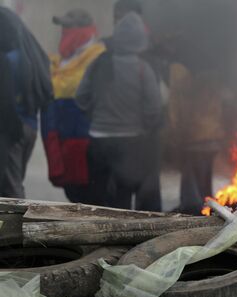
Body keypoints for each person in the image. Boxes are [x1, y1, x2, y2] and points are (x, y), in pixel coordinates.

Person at [75, 12, 162, 210]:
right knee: (123, 199)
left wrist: (95, 116)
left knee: (98, 200)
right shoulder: (143, 69)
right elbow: (154, 107)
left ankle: (94, 237)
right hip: (131, 143)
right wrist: (144, 125)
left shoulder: (98, 63)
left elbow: (80, 97)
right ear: (140, 40)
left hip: (98, 140)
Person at [41, 9, 106, 203]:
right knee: (73, 194)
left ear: (85, 30)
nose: (64, 31)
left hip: (86, 141)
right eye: (63, 27)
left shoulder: (97, 57)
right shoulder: (60, 60)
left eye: (69, 27)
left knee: (91, 197)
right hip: (62, 139)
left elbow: (76, 89)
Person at [0, 7, 53, 198]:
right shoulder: (30, 55)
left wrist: (11, 130)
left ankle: (16, 227)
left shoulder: (8, 60)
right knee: (15, 183)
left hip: (12, 130)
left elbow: (5, 101)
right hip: (30, 126)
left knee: (10, 189)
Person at [168, 64, 225, 214]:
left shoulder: (185, 85)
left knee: (191, 175)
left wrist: (175, 132)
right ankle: (207, 206)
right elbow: (218, 111)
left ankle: (193, 208)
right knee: (205, 175)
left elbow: (176, 111)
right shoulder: (213, 84)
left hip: (193, 138)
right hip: (211, 137)